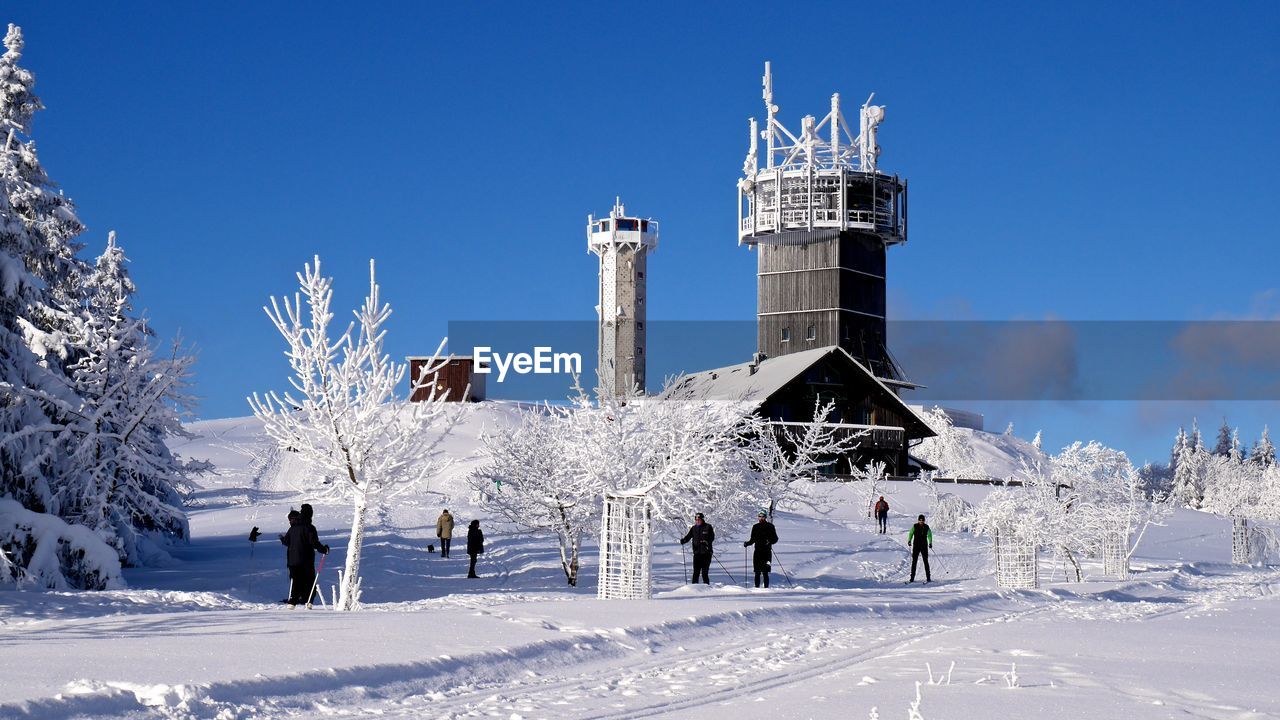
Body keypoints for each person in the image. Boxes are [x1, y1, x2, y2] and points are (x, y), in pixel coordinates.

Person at [280, 505, 329, 606]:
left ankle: (293, 601)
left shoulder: (293, 528)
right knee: (309, 581)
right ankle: (308, 600)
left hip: (292, 561)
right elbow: (314, 543)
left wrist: (282, 539)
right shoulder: (309, 528)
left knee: (296, 580)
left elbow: (286, 541)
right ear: (310, 514)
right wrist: (324, 550)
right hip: (306, 560)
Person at [743, 510, 779, 588]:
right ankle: (756, 588)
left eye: (763, 516)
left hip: (767, 552)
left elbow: (775, 539)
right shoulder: (755, 527)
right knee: (757, 571)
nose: (761, 518)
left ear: (765, 517)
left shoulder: (770, 526)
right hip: (757, 552)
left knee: (765, 572)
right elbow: (752, 539)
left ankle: (766, 588)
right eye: (760, 516)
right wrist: (747, 543)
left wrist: (770, 541)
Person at [679, 512, 715, 584]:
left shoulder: (708, 527)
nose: (697, 521)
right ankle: (694, 589)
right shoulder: (694, 528)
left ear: (702, 520)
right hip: (697, 554)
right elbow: (688, 537)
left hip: (706, 553)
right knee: (696, 573)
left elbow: (712, 537)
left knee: (704, 573)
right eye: (696, 520)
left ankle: (707, 589)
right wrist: (684, 540)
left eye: (699, 519)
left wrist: (706, 542)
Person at [907, 514, 933, 583]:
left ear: (924, 521)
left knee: (925, 561)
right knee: (914, 561)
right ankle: (912, 578)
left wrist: (930, 542)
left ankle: (928, 577)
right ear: (918, 520)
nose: (921, 521)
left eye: (922, 520)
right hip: (916, 546)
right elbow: (911, 533)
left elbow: (930, 535)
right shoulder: (915, 526)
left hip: (924, 546)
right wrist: (909, 540)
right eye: (920, 520)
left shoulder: (926, 527)